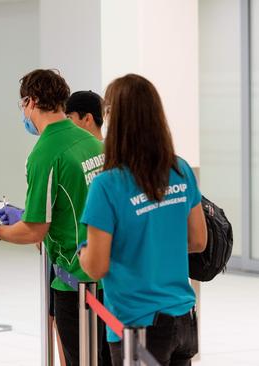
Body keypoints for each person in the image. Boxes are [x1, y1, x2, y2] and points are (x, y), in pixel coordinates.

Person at [0, 69, 110, 365]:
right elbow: (80, 200)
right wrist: (25, 214)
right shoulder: (91, 142)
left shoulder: (45, 153)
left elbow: (34, 231)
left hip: (76, 281)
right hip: (107, 276)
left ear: (31, 101)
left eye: (22, 105)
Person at [78, 74, 207, 366]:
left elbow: (96, 266)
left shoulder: (107, 185)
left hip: (137, 325)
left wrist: (83, 252)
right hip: (183, 318)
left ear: (113, 117)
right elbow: (199, 240)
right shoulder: (181, 169)